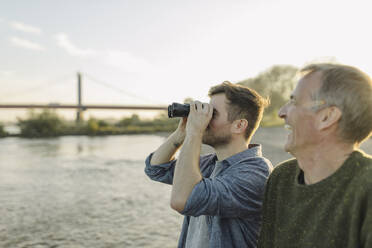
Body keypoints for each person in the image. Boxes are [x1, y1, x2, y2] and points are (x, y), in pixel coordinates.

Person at [145, 81, 272, 248]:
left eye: (213, 114)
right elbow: (156, 169)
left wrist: (194, 133)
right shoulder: (209, 164)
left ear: (239, 125)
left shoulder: (255, 173)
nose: (204, 119)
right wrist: (181, 134)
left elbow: (182, 200)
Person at [258, 63, 372, 248]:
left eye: (294, 101)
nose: (281, 112)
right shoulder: (281, 179)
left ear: (327, 117)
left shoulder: (367, 186)